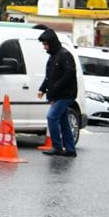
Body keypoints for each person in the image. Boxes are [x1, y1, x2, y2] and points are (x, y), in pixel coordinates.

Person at [37, 27, 78, 158]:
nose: (44, 47)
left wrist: (55, 88)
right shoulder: (53, 57)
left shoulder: (64, 55)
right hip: (60, 94)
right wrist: (42, 89)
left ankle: (57, 146)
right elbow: (49, 76)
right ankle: (70, 149)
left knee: (52, 117)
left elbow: (69, 74)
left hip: (66, 95)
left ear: (52, 42)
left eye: (45, 44)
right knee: (63, 121)